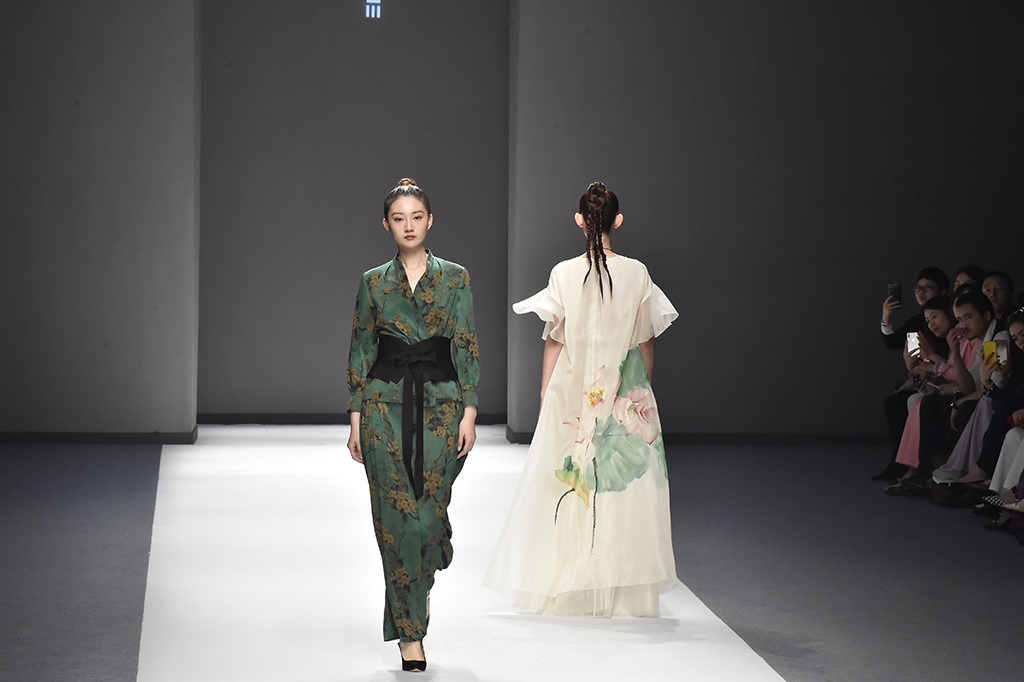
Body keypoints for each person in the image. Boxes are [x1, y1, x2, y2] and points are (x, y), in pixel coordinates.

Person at [483, 182, 678, 617]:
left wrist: (545, 394)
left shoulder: (563, 273)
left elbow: (555, 340)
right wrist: (642, 389)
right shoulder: (637, 273)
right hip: (624, 389)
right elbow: (645, 341)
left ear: (579, 221)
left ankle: (567, 583)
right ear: (617, 221)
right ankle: (619, 589)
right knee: (622, 490)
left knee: (569, 480)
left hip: (571, 391)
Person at [346, 178, 480, 672]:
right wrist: (355, 418)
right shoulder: (373, 282)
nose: (408, 226)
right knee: (395, 521)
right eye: (399, 218)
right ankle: (411, 635)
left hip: (442, 407)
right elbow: (362, 347)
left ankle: (432, 550)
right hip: (382, 408)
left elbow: (466, 342)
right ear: (386, 225)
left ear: (430, 220)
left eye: (416, 217)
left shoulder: (456, 279)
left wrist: (470, 410)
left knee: (428, 519)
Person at [880, 267, 948, 350]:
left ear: (942, 291)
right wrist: (886, 319)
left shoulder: (951, 313)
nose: (921, 292)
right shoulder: (916, 321)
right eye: (918, 288)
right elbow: (893, 342)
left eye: (928, 287)